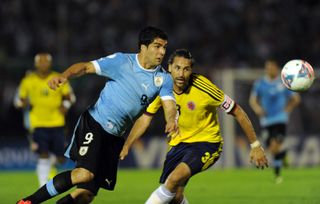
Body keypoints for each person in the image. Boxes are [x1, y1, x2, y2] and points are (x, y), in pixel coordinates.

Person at [17, 26, 178, 204]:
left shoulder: (164, 78)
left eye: (164, 47)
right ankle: (28, 202)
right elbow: (86, 67)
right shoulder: (121, 62)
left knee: (86, 194)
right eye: (157, 46)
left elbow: (169, 106)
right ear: (143, 47)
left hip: (115, 137)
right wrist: (65, 75)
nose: (162, 52)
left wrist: (171, 121)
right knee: (83, 174)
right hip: (95, 123)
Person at [120, 49, 269, 204]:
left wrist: (255, 145)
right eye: (177, 68)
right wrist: (127, 144)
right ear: (169, 67)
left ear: (191, 70)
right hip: (178, 144)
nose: (181, 74)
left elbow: (237, 111)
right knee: (175, 196)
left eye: (186, 69)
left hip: (206, 143)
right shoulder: (161, 86)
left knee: (173, 180)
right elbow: (145, 118)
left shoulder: (204, 88)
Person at [14, 53, 76, 187]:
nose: (43, 64)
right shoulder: (28, 80)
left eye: (45, 62)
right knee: (43, 153)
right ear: (36, 64)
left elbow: (70, 97)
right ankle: (43, 185)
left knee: (61, 158)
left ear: (50, 63)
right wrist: (22, 103)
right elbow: (19, 100)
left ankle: (51, 163)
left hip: (57, 122)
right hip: (37, 123)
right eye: (40, 62)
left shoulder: (58, 78)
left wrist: (65, 106)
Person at [249, 59, 300, 184]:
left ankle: (277, 176)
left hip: (280, 119)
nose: (269, 70)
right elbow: (253, 100)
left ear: (277, 68)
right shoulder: (260, 83)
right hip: (266, 120)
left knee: (274, 146)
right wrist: (257, 109)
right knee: (272, 149)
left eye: (271, 67)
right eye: (267, 68)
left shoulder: (284, 82)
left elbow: (296, 98)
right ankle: (283, 154)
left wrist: (287, 109)